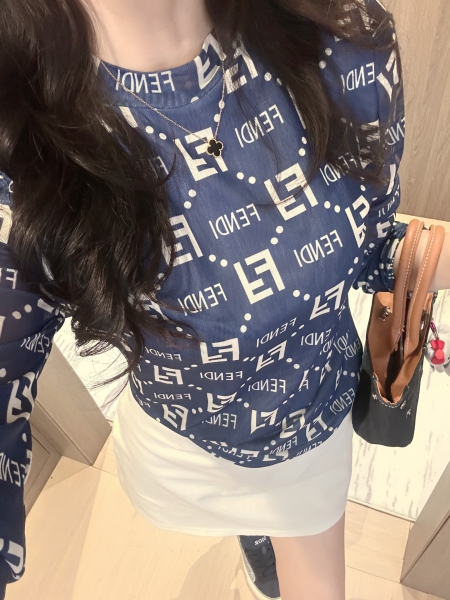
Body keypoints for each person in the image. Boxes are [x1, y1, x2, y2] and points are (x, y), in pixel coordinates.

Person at [0, 0, 449, 599]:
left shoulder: (342, 39)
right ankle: (253, 535)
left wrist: (422, 258)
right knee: (261, 546)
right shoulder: (20, 132)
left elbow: (364, 245)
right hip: (179, 447)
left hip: (310, 426)